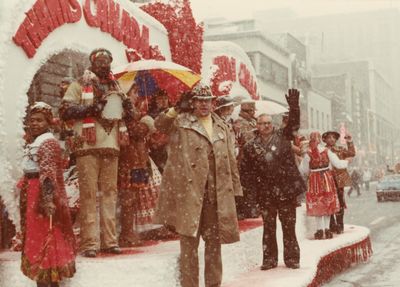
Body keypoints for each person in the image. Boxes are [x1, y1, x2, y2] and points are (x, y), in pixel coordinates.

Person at [154, 83, 242, 287]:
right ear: (192, 102)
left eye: (208, 101)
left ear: (213, 103)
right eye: (200, 101)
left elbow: (230, 159)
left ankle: (213, 284)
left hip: (215, 195)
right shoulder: (181, 121)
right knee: (188, 246)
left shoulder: (222, 126)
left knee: (214, 243)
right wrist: (176, 107)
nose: (204, 105)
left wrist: (235, 191)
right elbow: (159, 125)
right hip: (189, 194)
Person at [60, 48, 134, 257]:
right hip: (86, 146)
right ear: (92, 63)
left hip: (112, 146)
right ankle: (90, 243)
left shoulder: (117, 87)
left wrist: (127, 106)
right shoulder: (78, 84)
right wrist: (90, 109)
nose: (104, 64)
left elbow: (129, 116)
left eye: (107, 61)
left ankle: (110, 241)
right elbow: (64, 110)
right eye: (100, 61)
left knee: (110, 195)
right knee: (89, 195)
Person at [241, 89, 306, 270]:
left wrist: (294, 107)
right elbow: (246, 173)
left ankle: (292, 259)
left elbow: (293, 123)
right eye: (263, 123)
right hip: (265, 192)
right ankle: (269, 259)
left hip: (286, 190)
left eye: (269, 122)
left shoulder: (283, 137)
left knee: (289, 227)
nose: (267, 126)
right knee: (268, 228)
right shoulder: (250, 147)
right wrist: (250, 196)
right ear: (257, 125)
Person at [20, 102, 76, 287]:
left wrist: (48, 200)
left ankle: (47, 279)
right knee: (38, 237)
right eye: (32, 120)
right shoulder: (35, 141)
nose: (34, 124)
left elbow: (49, 175)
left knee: (45, 237)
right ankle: (43, 277)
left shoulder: (48, 142)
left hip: (40, 196)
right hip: (32, 193)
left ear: (48, 122)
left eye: (39, 120)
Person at [299, 132, 349, 240]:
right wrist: (346, 162)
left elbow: (304, 170)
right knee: (327, 203)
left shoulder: (308, 154)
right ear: (321, 140)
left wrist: (312, 172)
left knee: (317, 204)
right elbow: (338, 164)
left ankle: (319, 230)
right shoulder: (326, 151)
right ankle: (327, 229)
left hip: (314, 181)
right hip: (326, 179)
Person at [323, 131, 355, 234]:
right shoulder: (322, 150)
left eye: (333, 138)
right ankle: (332, 225)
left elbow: (351, 154)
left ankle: (340, 225)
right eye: (329, 137)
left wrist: (349, 142)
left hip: (339, 179)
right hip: (327, 179)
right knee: (329, 202)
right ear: (325, 140)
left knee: (340, 202)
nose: (331, 139)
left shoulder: (340, 149)